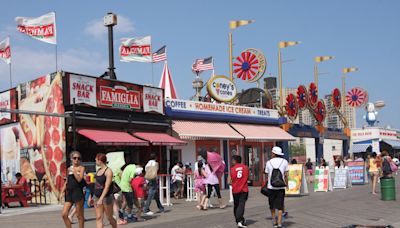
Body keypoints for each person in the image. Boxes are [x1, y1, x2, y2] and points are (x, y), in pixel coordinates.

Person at [265, 146, 289, 228]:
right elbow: (286, 175)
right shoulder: (285, 162)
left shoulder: (268, 162)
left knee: (272, 205)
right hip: (281, 187)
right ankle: (279, 223)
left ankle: (274, 221)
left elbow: (267, 174)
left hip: (271, 187)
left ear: (274, 153)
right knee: (280, 206)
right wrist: (287, 184)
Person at [61, 151, 85, 228]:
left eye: (78, 158)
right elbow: (67, 181)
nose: (76, 160)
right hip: (70, 193)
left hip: (77, 192)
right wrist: (62, 191)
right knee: (64, 214)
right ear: (71, 159)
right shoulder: (69, 169)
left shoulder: (81, 168)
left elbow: (79, 180)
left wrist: (74, 171)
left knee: (79, 215)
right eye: (74, 158)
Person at [94, 153, 117, 228]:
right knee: (99, 217)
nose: (95, 161)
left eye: (96, 159)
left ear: (100, 160)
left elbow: (107, 187)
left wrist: (101, 199)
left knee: (109, 217)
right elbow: (96, 184)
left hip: (106, 197)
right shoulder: (98, 170)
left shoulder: (108, 171)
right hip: (97, 196)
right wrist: (92, 196)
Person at [230, 155, 249, 228]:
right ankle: (240, 220)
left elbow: (229, 181)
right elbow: (248, 177)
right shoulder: (245, 167)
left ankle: (238, 220)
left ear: (235, 161)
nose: (232, 162)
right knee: (241, 204)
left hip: (235, 189)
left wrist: (235, 182)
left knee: (236, 205)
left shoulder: (232, 169)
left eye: (232, 160)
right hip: (244, 189)